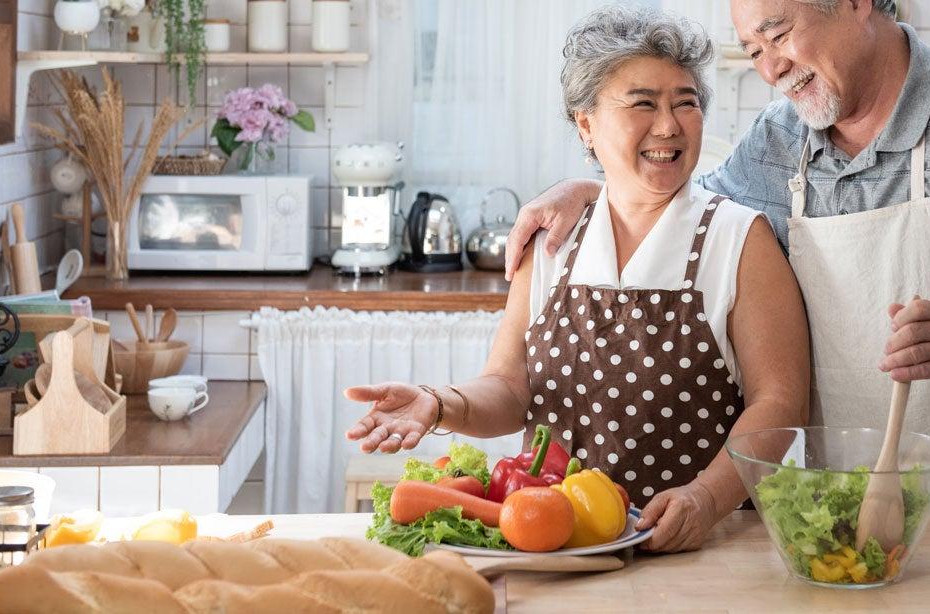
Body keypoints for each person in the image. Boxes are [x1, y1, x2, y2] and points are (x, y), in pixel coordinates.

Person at [499, 1, 930, 611]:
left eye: (778, 33)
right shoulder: (780, 137)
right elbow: (681, 203)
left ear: (855, 4)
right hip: (848, 514)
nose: (770, 68)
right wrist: (589, 186)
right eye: (754, 50)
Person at [344, 5, 810, 554]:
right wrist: (437, 401)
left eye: (686, 102)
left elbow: (780, 403)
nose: (669, 125)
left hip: (704, 546)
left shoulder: (737, 237)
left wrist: (704, 500)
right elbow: (511, 389)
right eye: (643, 104)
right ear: (586, 124)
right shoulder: (553, 241)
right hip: (558, 545)